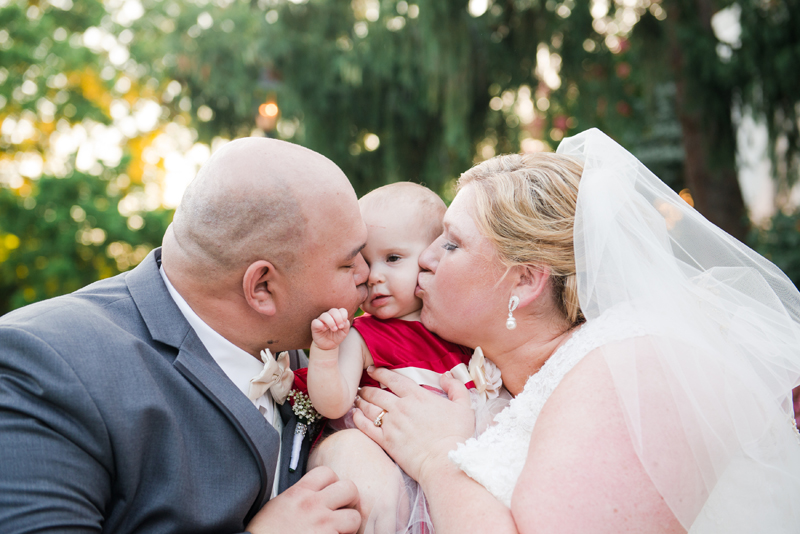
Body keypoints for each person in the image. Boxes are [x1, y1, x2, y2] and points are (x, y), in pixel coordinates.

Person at [353, 129, 800, 533]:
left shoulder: (632, 369)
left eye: (451, 243)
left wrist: (437, 459)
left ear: (525, 281)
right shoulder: (514, 380)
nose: (425, 259)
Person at [0, 137, 367, 533]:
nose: (369, 274)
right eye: (349, 264)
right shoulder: (42, 365)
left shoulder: (320, 353)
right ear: (262, 287)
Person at [306, 182, 506, 534]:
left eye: (393, 258)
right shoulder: (363, 335)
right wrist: (325, 351)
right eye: (365, 263)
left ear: (431, 258)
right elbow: (332, 403)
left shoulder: (458, 331)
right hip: (391, 483)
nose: (375, 275)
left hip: (462, 482)